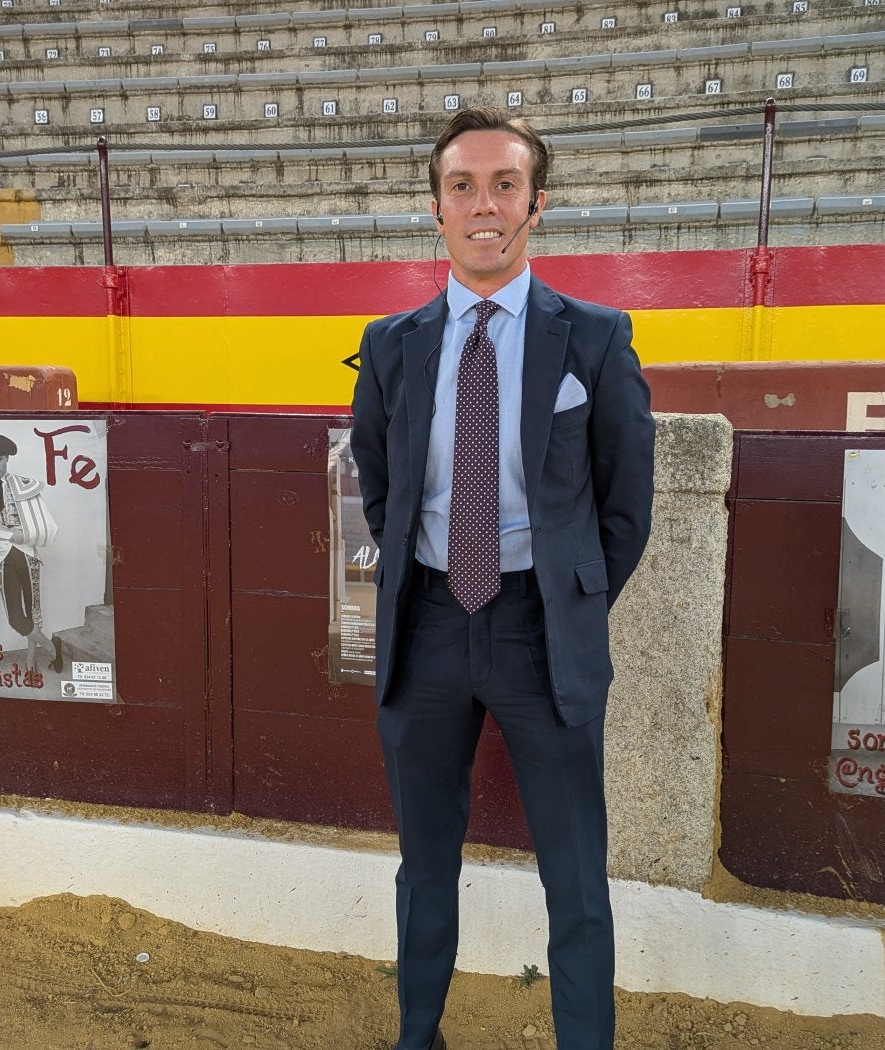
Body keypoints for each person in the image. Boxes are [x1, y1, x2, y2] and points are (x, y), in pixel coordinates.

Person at [349, 108, 656, 1050]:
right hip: (431, 625)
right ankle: (418, 1037)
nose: (484, 205)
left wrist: (569, 598)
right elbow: (382, 488)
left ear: (537, 204)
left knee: (574, 876)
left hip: (540, 631)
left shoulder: (596, 339)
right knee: (422, 864)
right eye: (462, 186)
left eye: (505, 185)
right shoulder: (393, 344)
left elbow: (625, 506)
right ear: (436, 208)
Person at [0, 433, 62, 673]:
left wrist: (25, 533)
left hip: (27, 555)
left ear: (7, 459)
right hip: (3, 560)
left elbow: (41, 523)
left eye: (0, 459)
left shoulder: (24, 485)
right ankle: (52, 648)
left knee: (33, 611)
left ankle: (30, 659)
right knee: (15, 618)